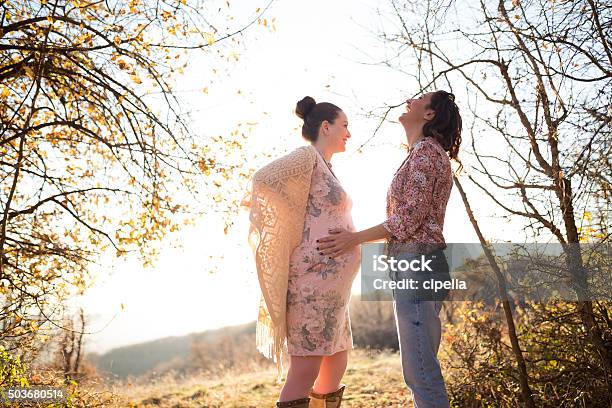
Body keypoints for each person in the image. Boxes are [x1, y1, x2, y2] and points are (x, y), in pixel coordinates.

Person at [318, 90, 462, 408]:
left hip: (418, 264)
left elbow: (407, 219)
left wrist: (352, 239)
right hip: (414, 265)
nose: (409, 100)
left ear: (429, 114)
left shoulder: (427, 153)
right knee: (420, 370)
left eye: (418, 98)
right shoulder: (421, 153)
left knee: (421, 373)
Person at [248, 96, 360, 408]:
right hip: (311, 286)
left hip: (333, 292)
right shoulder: (305, 157)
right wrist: (275, 217)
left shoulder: (326, 166)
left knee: (335, 362)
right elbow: (263, 179)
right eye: (344, 126)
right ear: (326, 127)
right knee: (305, 370)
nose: (348, 133)